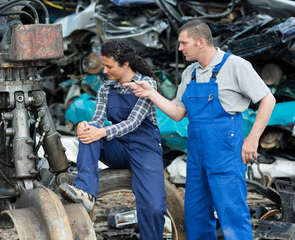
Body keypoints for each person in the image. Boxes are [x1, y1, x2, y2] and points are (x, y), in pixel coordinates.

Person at [125, 20, 276, 240]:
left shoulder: (235, 65)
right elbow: (178, 112)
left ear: (201, 42)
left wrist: (253, 139)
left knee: (232, 213)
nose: (180, 48)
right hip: (196, 155)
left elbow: (268, 99)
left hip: (226, 151)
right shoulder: (190, 73)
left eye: (184, 43)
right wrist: (151, 93)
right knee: (195, 216)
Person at [58, 39, 167, 240]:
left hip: (145, 149)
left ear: (125, 64)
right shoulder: (106, 88)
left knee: (154, 206)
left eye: (109, 66)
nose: (105, 71)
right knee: (90, 130)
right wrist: (87, 126)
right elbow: (98, 119)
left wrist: (103, 132)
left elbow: (134, 122)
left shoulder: (146, 84)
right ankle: (85, 191)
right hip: (117, 148)